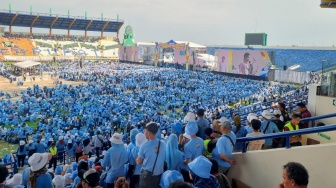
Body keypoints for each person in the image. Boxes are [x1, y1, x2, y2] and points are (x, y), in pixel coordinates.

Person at [136, 122, 166, 188]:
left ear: (148, 133)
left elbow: (139, 162)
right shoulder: (163, 144)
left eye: (145, 131)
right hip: (159, 176)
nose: (144, 133)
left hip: (147, 177)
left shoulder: (144, 146)